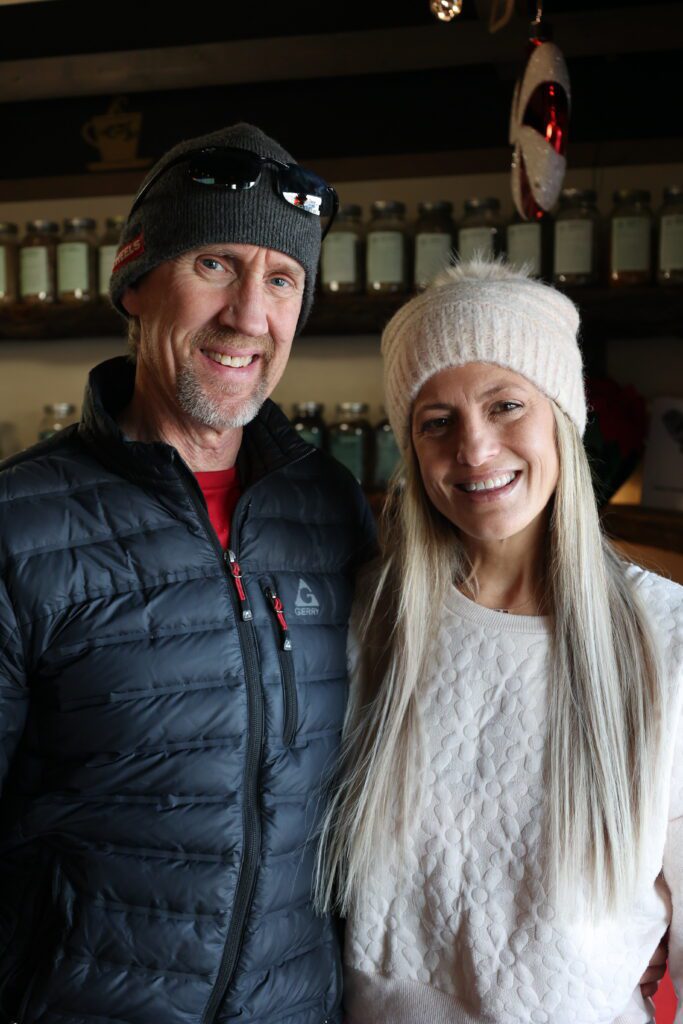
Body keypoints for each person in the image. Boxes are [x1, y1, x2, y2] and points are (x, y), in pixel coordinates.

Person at [0, 123, 374, 1024]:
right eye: (214, 263)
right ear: (135, 280)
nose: (249, 315)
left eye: (281, 280)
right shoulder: (18, 525)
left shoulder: (330, 509)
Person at [316, 259, 681, 1023]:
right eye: (435, 421)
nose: (474, 449)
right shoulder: (369, 620)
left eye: (505, 404)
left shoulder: (667, 638)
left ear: (562, 418)